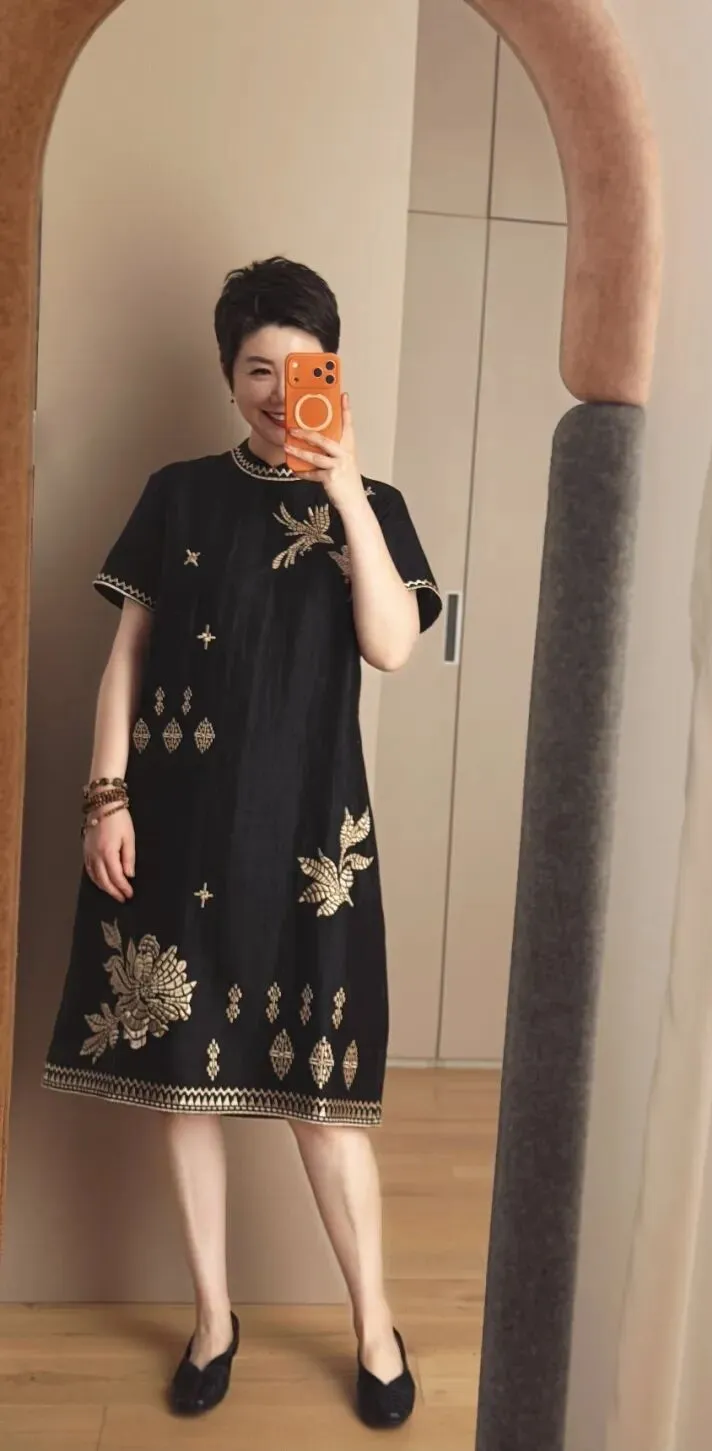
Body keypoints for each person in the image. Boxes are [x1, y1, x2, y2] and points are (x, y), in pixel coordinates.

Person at [40, 256, 441, 1427]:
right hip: (177, 827)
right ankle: (213, 1318)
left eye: (301, 369)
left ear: (334, 376)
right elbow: (126, 655)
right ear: (227, 376)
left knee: (323, 1098)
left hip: (312, 838)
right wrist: (105, 796)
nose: (277, 392)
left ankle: (374, 1324)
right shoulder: (176, 494)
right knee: (188, 1088)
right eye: (257, 369)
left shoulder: (378, 506)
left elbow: (393, 644)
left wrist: (347, 491)